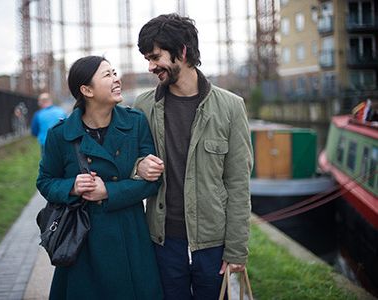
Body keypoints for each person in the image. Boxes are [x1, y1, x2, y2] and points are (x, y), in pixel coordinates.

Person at [133, 13, 253, 299]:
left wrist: (236, 248)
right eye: (147, 58)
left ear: (182, 52)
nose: (150, 66)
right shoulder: (143, 106)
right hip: (163, 241)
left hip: (213, 243)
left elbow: (238, 182)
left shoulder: (231, 107)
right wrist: (138, 166)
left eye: (155, 57)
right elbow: (127, 163)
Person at [36, 56, 163, 300]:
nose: (117, 79)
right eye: (107, 75)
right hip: (83, 243)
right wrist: (71, 186)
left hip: (130, 236)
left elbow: (154, 180)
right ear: (86, 90)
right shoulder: (61, 135)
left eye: (115, 72)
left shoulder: (135, 123)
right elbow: (45, 181)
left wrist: (109, 192)